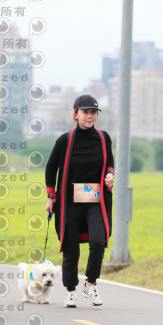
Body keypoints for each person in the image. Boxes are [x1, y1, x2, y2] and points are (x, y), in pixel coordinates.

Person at [45, 94, 115, 308]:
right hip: (69, 202)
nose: (89, 116)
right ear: (75, 114)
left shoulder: (103, 138)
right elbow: (51, 168)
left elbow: (109, 161)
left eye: (93, 112)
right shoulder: (65, 140)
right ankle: (70, 290)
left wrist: (110, 174)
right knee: (70, 247)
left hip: (95, 199)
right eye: (85, 112)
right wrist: (51, 196)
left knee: (99, 241)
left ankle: (91, 284)